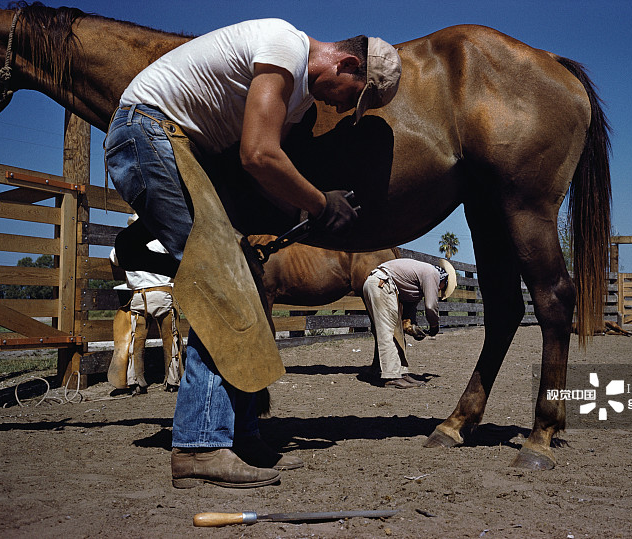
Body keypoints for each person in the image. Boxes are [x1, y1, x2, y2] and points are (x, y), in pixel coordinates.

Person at [104, 18, 401, 489]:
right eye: (352, 95)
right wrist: (322, 202)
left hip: (178, 147)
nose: (343, 107)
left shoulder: (298, 102)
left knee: (243, 276)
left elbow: (268, 179)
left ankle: (240, 435)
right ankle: (200, 447)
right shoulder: (284, 44)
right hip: (147, 133)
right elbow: (258, 155)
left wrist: (314, 215)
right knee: (223, 284)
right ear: (346, 63)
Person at [108, 215, 184, 396]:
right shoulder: (163, 242)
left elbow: (114, 259)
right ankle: (173, 380)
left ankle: (135, 381)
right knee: (171, 337)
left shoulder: (124, 246)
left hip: (138, 297)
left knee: (136, 339)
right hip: (163, 294)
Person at [362, 258, 456, 388]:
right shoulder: (432, 273)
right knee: (388, 332)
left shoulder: (418, 280)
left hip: (381, 283)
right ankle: (392, 376)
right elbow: (430, 306)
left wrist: (412, 326)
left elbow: (410, 306)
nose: (439, 290)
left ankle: (401, 372)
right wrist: (434, 325)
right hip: (382, 283)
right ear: (444, 280)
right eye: (443, 287)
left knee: (398, 332)